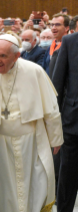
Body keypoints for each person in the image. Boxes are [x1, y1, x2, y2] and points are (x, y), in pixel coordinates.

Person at [0, 34, 63, 212]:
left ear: (17, 56)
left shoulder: (34, 71)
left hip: (29, 142)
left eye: (3, 56)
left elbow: (51, 109)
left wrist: (55, 138)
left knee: (32, 184)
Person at [52, 25, 78, 212]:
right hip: (72, 121)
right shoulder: (70, 42)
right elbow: (57, 85)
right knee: (68, 176)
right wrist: (54, 124)